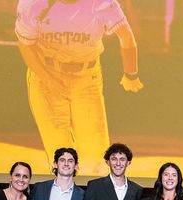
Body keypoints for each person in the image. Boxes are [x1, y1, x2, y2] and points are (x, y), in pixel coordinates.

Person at [15, 0, 144, 174]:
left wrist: (131, 74)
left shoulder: (101, 3)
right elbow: (25, 45)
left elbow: (126, 36)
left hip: (86, 77)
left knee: (96, 155)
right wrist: (49, 79)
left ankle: (93, 198)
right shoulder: (34, 3)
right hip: (46, 73)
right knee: (60, 153)